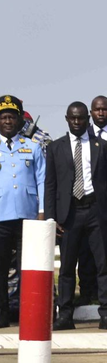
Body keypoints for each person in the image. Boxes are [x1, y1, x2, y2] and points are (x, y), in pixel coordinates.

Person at [0, 95, 46, 329]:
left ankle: (28, 312)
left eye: (12, 117)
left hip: (28, 215)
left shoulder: (32, 147)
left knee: (27, 268)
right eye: (3, 117)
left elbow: (42, 181)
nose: (8, 121)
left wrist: (41, 211)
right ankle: (2, 316)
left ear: (18, 119)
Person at [45, 101, 107, 330]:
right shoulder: (55, 148)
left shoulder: (101, 145)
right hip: (68, 214)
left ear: (87, 120)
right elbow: (50, 185)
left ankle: (105, 313)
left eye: (81, 118)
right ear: (66, 118)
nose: (77, 122)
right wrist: (51, 218)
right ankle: (65, 315)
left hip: (95, 212)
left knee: (103, 265)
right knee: (67, 267)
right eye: (73, 118)